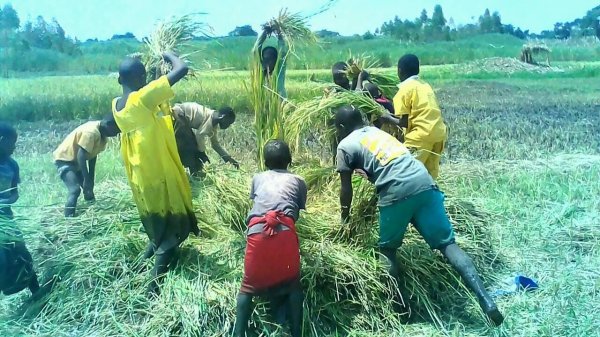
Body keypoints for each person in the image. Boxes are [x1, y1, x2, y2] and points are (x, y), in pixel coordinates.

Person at [333, 105, 504, 326]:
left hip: (396, 192)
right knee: (448, 245)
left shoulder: (345, 145)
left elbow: (346, 189)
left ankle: (402, 311)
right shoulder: (379, 134)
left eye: (337, 128)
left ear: (342, 126)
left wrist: (345, 218)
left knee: (387, 250)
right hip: (423, 182)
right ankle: (486, 300)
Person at [112, 53, 199, 295]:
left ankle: (141, 263)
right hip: (157, 171)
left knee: (156, 219)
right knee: (173, 226)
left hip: (140, 174)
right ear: (142, 78)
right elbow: (182, 69)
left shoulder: (117, 104)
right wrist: (168, 54)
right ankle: (154, 284)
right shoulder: (144, 97)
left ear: (119, 79)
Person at [234, 140, 306, 337]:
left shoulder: (257, 178)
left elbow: (257, 203)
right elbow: (296, 215)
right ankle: (297, 332)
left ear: (265, 162)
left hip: (256, 232)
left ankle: (238, 333)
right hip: (285, 232)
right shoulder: (298, 180)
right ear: (290, 160)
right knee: (293, 285)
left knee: (247, 287)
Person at [0, 122, 40, 297]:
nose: (14, 147)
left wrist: (8, 200)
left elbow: (15, 193)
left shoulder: (12, 165)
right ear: (1, 140)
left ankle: (37, 292)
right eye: (12, 143)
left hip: (6, 219)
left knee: (22, 252)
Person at [392, 54, 447, 179]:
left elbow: (403, 123)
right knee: (429, 174)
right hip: (438, 133)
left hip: (421, 135)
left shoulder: (404, 89)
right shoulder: (424, 86)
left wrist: (385, 117)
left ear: (400, 71)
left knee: (404, 172)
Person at [53, 117, 120, 217]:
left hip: (77, 161)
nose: (116, 134)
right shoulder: (91, 132)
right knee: (75, 190)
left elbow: (92, 154)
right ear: (109, 125)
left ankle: (92, 214)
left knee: (88, 189)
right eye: (116, 130)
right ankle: (68, 219)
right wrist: (86, 179)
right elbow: (81, 155)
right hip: (65, 159)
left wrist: (90, 178)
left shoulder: (102, 135)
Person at [171, 102, 238, 175]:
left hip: (183, 118)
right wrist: (202, 152)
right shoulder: (210, 119)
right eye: (228, 123)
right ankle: (194, 172)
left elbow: (215, 144)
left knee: (193, 145)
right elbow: (199, 135)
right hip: (179, 114)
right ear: (223, 117)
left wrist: (228, 158)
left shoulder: (213, 124)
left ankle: (195, 172)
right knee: (189, 146)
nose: (228, 126)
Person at [254, 24, 288, 99]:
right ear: (262, 59)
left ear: (276, 60)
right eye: (266, 58)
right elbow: (255, 51)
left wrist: (279, 34)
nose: (268, 62)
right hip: (262, 106)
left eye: (271, 59)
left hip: (280, 106)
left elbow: (282, 53)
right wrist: (264, 32)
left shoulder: (279, 71)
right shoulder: (260, 72)